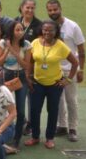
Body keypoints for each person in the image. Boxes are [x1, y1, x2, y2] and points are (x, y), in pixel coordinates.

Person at [25, 20, 78, 149]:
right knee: (34, 110)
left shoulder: (60, 45)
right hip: (37, 83)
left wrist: (68, 79)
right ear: (41, 30)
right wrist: (29, 77)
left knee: (52, 111)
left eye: (50, 30)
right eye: (45, 30)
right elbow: (30, 61)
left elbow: (75, 62)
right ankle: (35, 137)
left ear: (56, 32)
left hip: (55, 84)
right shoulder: (35, 43)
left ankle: (49, 138)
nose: (47, 32)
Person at [47, 0, 85, 142]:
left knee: (71, 99)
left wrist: (81, 70)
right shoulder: (48, 27)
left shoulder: (73, 26)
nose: (52, 12)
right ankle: (62, 126)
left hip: (71, 68)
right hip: (54, 69)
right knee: (58, 100)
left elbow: (81, 50)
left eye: (55, 9)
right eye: (50, 10)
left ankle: (73, 128)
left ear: (60, 9)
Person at [0, 20, 31, 148]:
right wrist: (7, 49)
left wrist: (13, 50)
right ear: (11, 31)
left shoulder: (27, 44)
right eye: (17, 29)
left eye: (21, 30)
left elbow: (26, 65)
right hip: (6, 76)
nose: (20, 32)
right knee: (4, 108)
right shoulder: (2, 42)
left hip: (21, 77)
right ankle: (3, 134)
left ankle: (16, 139)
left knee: (21, 111)